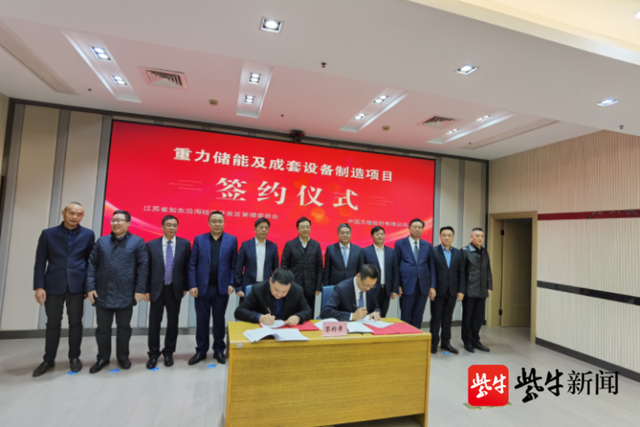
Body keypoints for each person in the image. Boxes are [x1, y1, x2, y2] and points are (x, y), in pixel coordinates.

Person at [32, 202, 95, 377]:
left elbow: (91, 263)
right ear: (63, 213)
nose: (74, 216)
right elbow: (40, 262)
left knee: (76, 323)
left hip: (77, 286)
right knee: (53, 323)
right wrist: (39, 286)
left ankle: (74, 357)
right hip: (53, 285)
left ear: (82, 216)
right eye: (71, 213)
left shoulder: (88, 234)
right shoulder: (48, 234)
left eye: (78, 214)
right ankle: (48, 359)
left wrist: (89, 286)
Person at [86, 210, 148, 373]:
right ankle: (102, 358)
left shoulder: (137, 242)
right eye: (113, 220)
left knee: (124, 327)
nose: (115, 223)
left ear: (128, 223)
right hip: (102, 292)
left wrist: (140, 289)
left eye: (119, 220)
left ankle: (123, 356)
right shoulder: (102, 241)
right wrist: (90, 287)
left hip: (125, 291)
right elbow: (92, 265)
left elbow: (143, 266)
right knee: (102, 328)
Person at [188, 211, 238, 365]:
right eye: (214, 221)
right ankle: (201, 351)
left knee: (219, 320)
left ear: (224, 223)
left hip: (221, 289)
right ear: (208, 223)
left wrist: (231, 283)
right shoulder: (199, 239)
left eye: (220, 221)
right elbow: (192, 264)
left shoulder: (232, 240)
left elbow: (233, 264)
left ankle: (219, 350)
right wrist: (192, 284)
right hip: (202, 288)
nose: (217, 224)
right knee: (201, 321)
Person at [145, 215, 191, 369]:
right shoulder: (151, 244)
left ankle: (168, 353)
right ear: (162, 227)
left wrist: (185, 287)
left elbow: (187, 268)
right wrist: (146, 290)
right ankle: (153, 354)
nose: (172, 228)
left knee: (173, 323)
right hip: (156, 289)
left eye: (174, 225)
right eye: (169, 225)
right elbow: (147, 269)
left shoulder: (184, 244)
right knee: (154, 324)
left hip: (174, 289)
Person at [430, 226, 465, 354]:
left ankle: (446, 343)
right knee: (436, 319)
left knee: (447, 319)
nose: (446, 237)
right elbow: (432, 271)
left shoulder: (458, 253)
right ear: (440, 236)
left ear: (453, 237)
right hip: (437, 291)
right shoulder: (433, 251)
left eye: (449, 235)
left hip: (452, 291)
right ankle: (433, 344)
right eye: (444, 235)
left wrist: (461, 290)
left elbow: (461, 273)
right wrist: (432, 287)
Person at [394, 219, 435, 329]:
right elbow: (395, 266)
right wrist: (397, 285)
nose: (417, 229)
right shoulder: (400, 243)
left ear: (423, 229)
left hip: (423, 286)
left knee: (418, 316)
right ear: (409, 228)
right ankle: (405, 337)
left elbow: (431, 267)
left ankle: (416, 337)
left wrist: (432, 286)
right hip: (406, 285)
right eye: (415, 227)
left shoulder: (427, 245)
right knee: (405, 316)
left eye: (420, 227)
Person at [234, 268, 312, 325]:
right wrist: (260, 317)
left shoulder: (297, 290)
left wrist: (298, 317)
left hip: (287, 329)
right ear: (271, 281)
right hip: (265, 330)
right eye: (276, 290)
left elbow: (307, 310)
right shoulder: (258, 289)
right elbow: (239, 311)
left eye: (284, 292)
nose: (279, 294)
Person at [280, 217, 323, 317]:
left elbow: (319, 268)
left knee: (308, 314)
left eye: (308, 227)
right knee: (291, 314)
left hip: (310, 287)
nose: (305, 229)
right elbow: (284, 266)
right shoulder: (290, 244)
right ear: (297, 229)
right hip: (293, 286)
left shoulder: (316, 245)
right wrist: (286, 284)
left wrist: (318, 287)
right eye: (302, 227)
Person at [461, 227, 493, 353]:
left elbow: (488, 271)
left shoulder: (485, 252)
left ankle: (476, 340)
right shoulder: (465, 251)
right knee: (468, 317)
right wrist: (461, 290)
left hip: (482, 290)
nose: (480, 238)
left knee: (478, 318)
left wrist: (489, 286)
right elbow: (461, 273)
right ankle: (467, 341)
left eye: (482, 236)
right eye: (477, 236)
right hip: (469, 290)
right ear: (472, 237)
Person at [234, 218, 279, 300]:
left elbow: (276, 270)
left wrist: (275, 287)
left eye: (266, 228)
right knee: (247, 308)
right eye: (261, 227)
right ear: (255, 229)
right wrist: (238, 288)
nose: (264, 230)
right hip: (248, 286)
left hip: (266, 286)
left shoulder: (273, 246)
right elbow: (238, 268)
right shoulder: (245, 245)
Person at [362, 226, 399, 318]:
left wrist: (395, 289)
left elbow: (395, 271)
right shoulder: (365, 251)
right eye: (377, 234)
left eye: (382, 234)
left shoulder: (391, 252)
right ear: (372, 236)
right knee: (370, 315)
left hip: (386, 289)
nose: (380, 236)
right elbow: (362, 271)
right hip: (371, 289)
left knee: (383, 315)